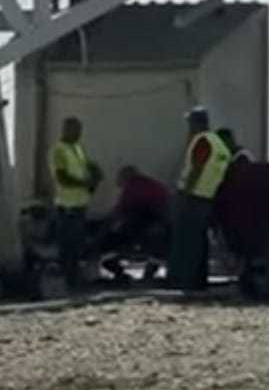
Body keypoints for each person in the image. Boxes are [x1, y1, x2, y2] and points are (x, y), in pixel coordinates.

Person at [169, 106, 234, 292]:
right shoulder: (220, 144)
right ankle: (198, 279)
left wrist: (186, 193)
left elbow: (197, 169)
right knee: (200, 242)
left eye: (190, 123)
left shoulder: (202, 140)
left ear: (196, 123)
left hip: (194, 198)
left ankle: (187, 280)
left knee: (188, 241)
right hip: (209, 197)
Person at [49, 116, 100, 289]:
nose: (78, 134)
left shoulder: (78, 148)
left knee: (77, 244)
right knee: (67, 245)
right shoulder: (58, 150)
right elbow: (62, 177)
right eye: (75, 130)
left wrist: (94, 174)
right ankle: (68, 279)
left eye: (79, 130)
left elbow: (87, 166)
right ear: (65, 130)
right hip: (67, 205)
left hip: (80, 204)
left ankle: (75, 277)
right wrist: (84, 183)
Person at [97, 166, 172, 282]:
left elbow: (120, 210)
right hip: (162, 224)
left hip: (148, 224)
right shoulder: (150, 184)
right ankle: (148, 273)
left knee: (111, 242)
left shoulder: (133, 187)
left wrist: (105, 229)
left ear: (125, 177)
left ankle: (117, 271)